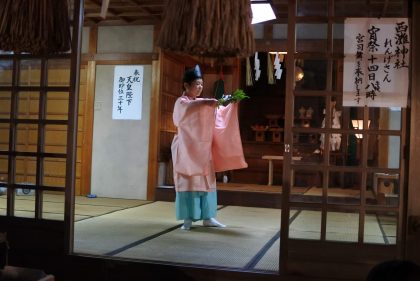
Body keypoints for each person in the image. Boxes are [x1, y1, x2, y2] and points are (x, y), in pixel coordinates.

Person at [171, 65, 247, 230]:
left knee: (207, 182)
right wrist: (212, 102)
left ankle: (208, 216)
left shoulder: (203, 103)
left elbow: (217, 114)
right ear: (186, 85)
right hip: (186, 148)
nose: (199, 87)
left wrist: (230, 104)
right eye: (196, 84)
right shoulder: (182, 102)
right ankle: (188, 219)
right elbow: (192, 108)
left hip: (203, 149)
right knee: (188, 181)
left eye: (201, 84)